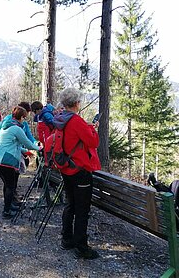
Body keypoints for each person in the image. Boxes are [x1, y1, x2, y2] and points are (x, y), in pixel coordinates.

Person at [53, 88, 101, 259]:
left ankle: (67, 239)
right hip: (80, 171)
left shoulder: (60, 119)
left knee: (70, 204)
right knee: (82, 209)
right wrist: (93, 129)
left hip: (66, 168)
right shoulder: (76, 121)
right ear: (77, 103)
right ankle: (81, 246)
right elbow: (93, 142)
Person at [0, 106, 41, 219]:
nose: (25, 120)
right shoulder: (17, 129)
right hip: (5, 161)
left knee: (7, 185)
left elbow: (11, 144)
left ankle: (9, 206)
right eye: (25, 118)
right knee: (10, 186)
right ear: (22, 117)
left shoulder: (6, 125)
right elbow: (27, 143)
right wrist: (39, 148)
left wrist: (25, 152)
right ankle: (6, 211)